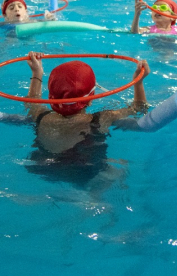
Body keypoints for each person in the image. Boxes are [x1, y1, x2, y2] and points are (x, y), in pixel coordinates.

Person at [19, 52, 149, 185]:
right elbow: (139, 109)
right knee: (122, 166)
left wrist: (37, 72)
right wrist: (138, 82)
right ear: (90, 99)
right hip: (84, 175)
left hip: (43, 169)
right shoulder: (101, 119)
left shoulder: (40, 116)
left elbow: (32, 102)